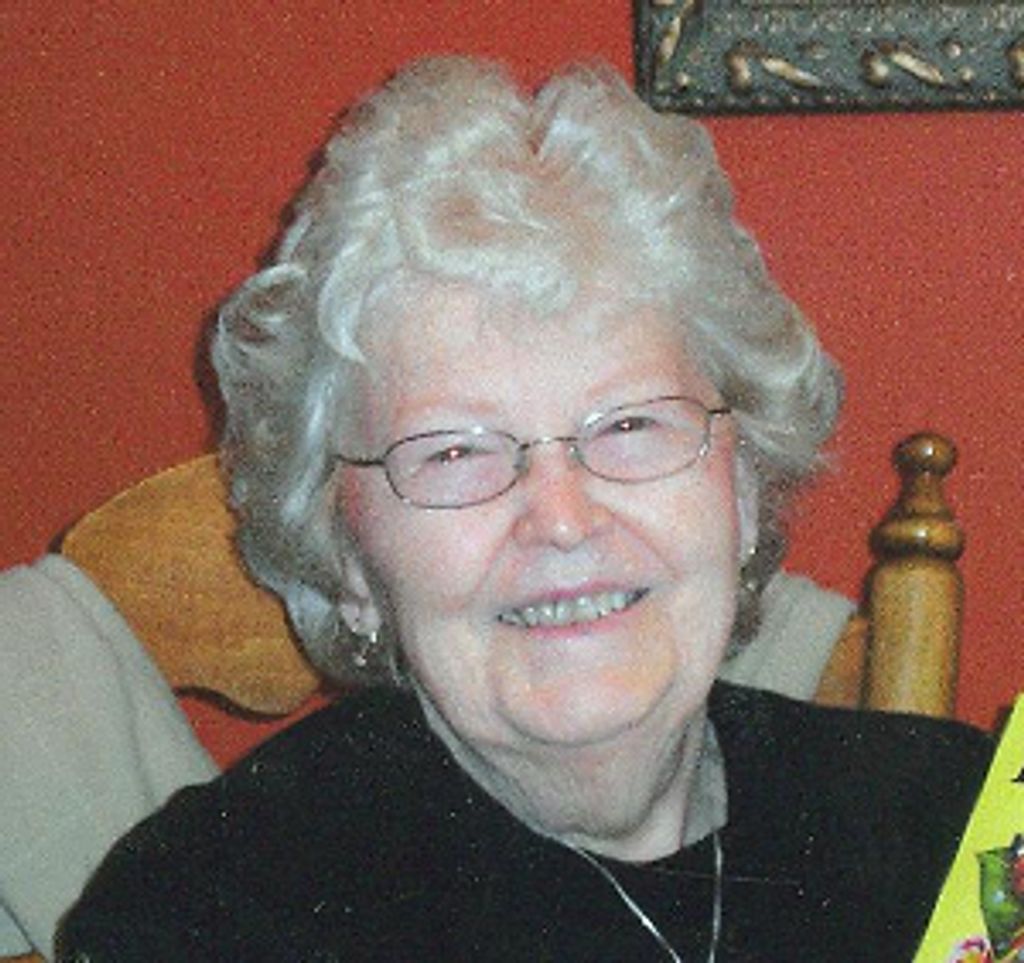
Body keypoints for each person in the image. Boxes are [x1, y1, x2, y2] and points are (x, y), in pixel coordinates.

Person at [55, 57, 990, 961]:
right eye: (455, 452)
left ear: (740, 490)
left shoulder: (961, 829)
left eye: (630, 424)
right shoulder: (212, 914)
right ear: (349, 559)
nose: (564, 518)